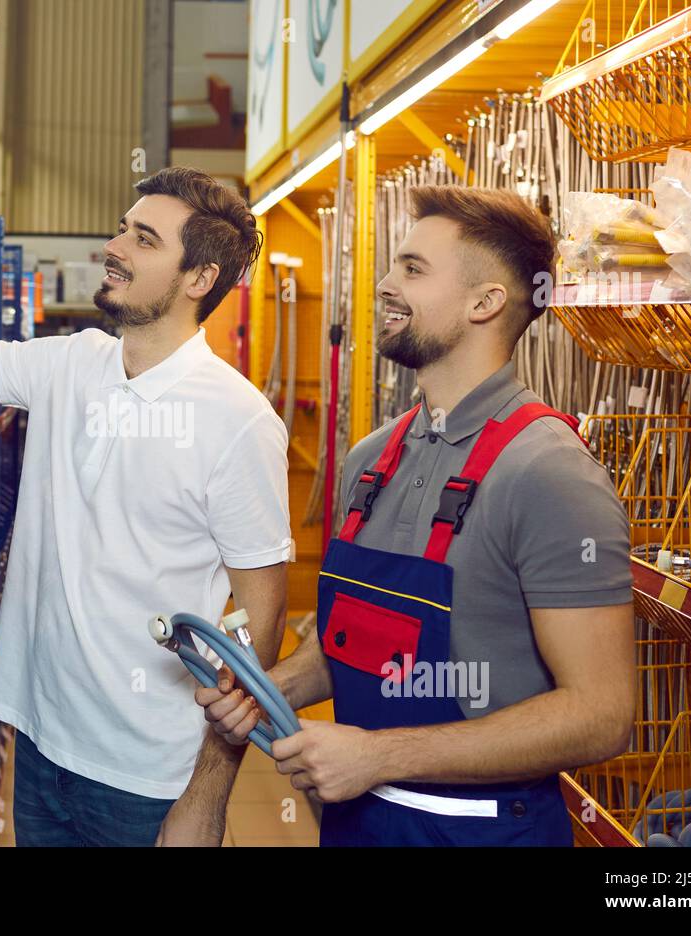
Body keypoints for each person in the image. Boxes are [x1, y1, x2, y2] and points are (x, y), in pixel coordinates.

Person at [0, 166, 293, 846]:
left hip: (149, 772)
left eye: (144, 239)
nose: (114, 246)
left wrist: (208, 793)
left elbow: (259, 624)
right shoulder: (73, 364)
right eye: (124, 228)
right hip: (41, 740)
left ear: (199, 279)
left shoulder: (238, 421)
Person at [195, 186, 635, 847]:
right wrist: (270, 686)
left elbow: (602, 716)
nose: (385, 285)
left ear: (485, 303)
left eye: (413, 269)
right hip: (359, 822)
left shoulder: (548, 472)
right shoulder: (373, 461)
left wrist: (380, 756)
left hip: (480, 833)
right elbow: (353, 645)